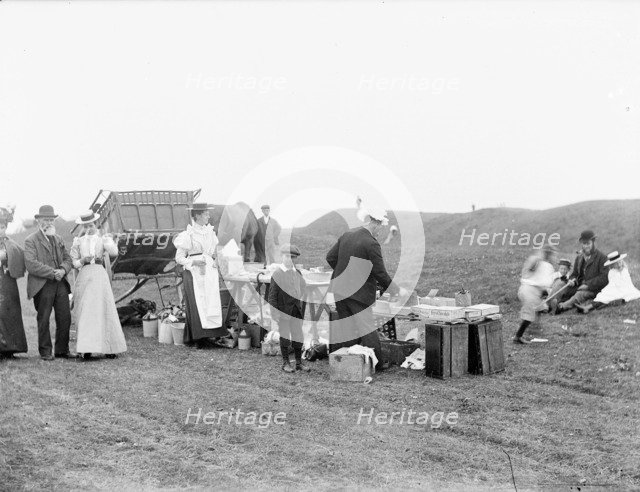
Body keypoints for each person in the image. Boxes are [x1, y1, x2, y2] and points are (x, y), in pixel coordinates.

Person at [326, 206, 408, 367]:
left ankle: (346, 361)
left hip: (340, 290)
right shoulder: (371, 243)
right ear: (375, 224)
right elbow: (380, 273)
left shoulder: (347, 235)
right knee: (367, 328)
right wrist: (398, 290)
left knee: (346, 326)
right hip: (359, 293)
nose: (380, 232)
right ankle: (377, 363)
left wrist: (345, 273)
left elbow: (330, 257)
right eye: (380, 228)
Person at [70, 211, 127, 360]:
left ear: (96, 224)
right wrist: (82, 260)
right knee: (87, 310)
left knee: (104, 307)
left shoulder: (102, 239)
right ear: (82, 227)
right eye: (86, 226)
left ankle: (109, 348)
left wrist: (108, 241)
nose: (89, 228)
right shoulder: (78, 241)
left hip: (99, 275)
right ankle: (87, 349)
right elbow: (74, 263)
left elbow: (114, 252)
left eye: (91, 224)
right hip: (85, 275)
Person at [24, 205, 74, 361]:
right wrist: (53, 273)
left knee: (65, 317)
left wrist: (63, 270)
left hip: (60, 283)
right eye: (46, 219)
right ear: (38, 221)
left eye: (51, 220)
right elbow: (31, 264)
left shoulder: (58, 239)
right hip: (42, 285)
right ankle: (45, 352)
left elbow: (68, 259)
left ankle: (62, 350)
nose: (49, 223)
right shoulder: (30, 240)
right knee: (44, 318)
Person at [174, 203, 226, 346]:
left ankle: (212, 335)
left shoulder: (210, 232)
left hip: (209, 271)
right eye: (205, 214)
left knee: (211, 301)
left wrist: (216, 260)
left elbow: (214, 252)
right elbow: (179, 258)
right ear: (197, 215)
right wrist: (194, 262)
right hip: (193, 272)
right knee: (198, 302)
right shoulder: (187, 234)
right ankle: (199, 337)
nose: (209, 216)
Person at [268, 244, 310, 373]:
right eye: (287, 256)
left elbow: (303, 286)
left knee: (298, 336)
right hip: (283, 313)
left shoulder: (297, 272)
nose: (290, 259)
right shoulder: (278, 274)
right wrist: (275, 313)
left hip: (296, 311)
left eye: (293, 257)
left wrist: (297, 299)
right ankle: (285, 362)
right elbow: (272, 297)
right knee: (285, 337)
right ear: (282, 257)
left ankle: (298, 362)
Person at [552, 230, 608, 314]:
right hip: (579, 285)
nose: (586, 246)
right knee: (561, 283)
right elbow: (575, 273)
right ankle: (548, 305)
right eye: (584, 244)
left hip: (594, 289)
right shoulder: (580, 257)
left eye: (588, 243)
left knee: (580, 294)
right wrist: (572, 280)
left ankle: (561, 307)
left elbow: (604, 278)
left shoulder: (602, 257)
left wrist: (587, 285)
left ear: (593, 243)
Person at [513, 244, 556, 344]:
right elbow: (542, 280)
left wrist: (544, 292)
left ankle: (534, 327)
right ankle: (518, 336)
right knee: (529, 314)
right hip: (529, 291)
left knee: (541, 308)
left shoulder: (541, 263)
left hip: (530, 290)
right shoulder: (542, 264)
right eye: (551, 254)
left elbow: (544, 282)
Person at [0, 207, 28, 359]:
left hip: (6, 282)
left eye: (2, 227)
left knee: (8, 312)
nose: (0, 229)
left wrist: (9, 260)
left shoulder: (10, 244)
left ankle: (10, 347)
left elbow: (19, 254)